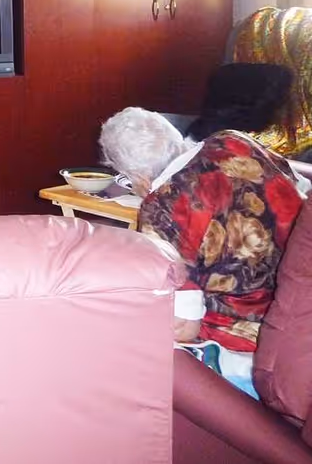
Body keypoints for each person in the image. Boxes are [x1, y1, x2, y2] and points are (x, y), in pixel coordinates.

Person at [99, 107, 307, 398]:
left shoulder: (161, 212)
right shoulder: (234, 140)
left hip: (253, 337)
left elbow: (185, 327)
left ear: (137, 178)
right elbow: (302, 191)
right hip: (302, 307)